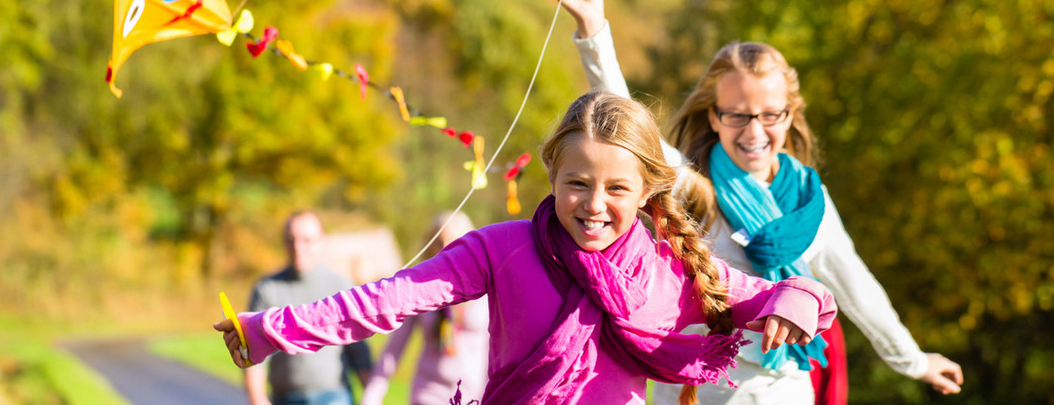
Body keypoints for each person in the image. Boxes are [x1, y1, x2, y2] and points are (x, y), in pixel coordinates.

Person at [216, 91, 838, 404]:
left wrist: (796, 305)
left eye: (616, 188)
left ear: (648, 188)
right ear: (551, 178)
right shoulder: (500, 249)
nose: (594, 203)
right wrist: (267, 330)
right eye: (577, 183)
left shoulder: (670, 269)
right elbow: (387, 300)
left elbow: (803, 290)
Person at [550, 0, 965, 404]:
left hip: (782, 388)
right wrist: (592, 29)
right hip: (692, 388)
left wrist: (914, 361)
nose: (755, 131)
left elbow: (857, 286)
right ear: (713, 117)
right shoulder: (689, 185)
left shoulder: (810, 202)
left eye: (770, 115)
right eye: (737, 115)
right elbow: (622, 112)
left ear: (790, 115)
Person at [360, 211, 491, 404]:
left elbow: (498, 350)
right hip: (427, 392)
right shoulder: (419, 289)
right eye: (439, 241)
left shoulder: (485, 292)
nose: (446, 248)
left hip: (473, 394)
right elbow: (394, 348)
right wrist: (372, 395)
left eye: (454, 241)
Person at [244, 210, 373, 405]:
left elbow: (359, 353)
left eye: (307, 240)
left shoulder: (341, 287)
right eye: (291, 240)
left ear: (322, 242)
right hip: (285, 398)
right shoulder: (267, 289)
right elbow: (252, 353)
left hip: (334, 396)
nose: (298, 247)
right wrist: (258, 399)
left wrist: (372, 397)